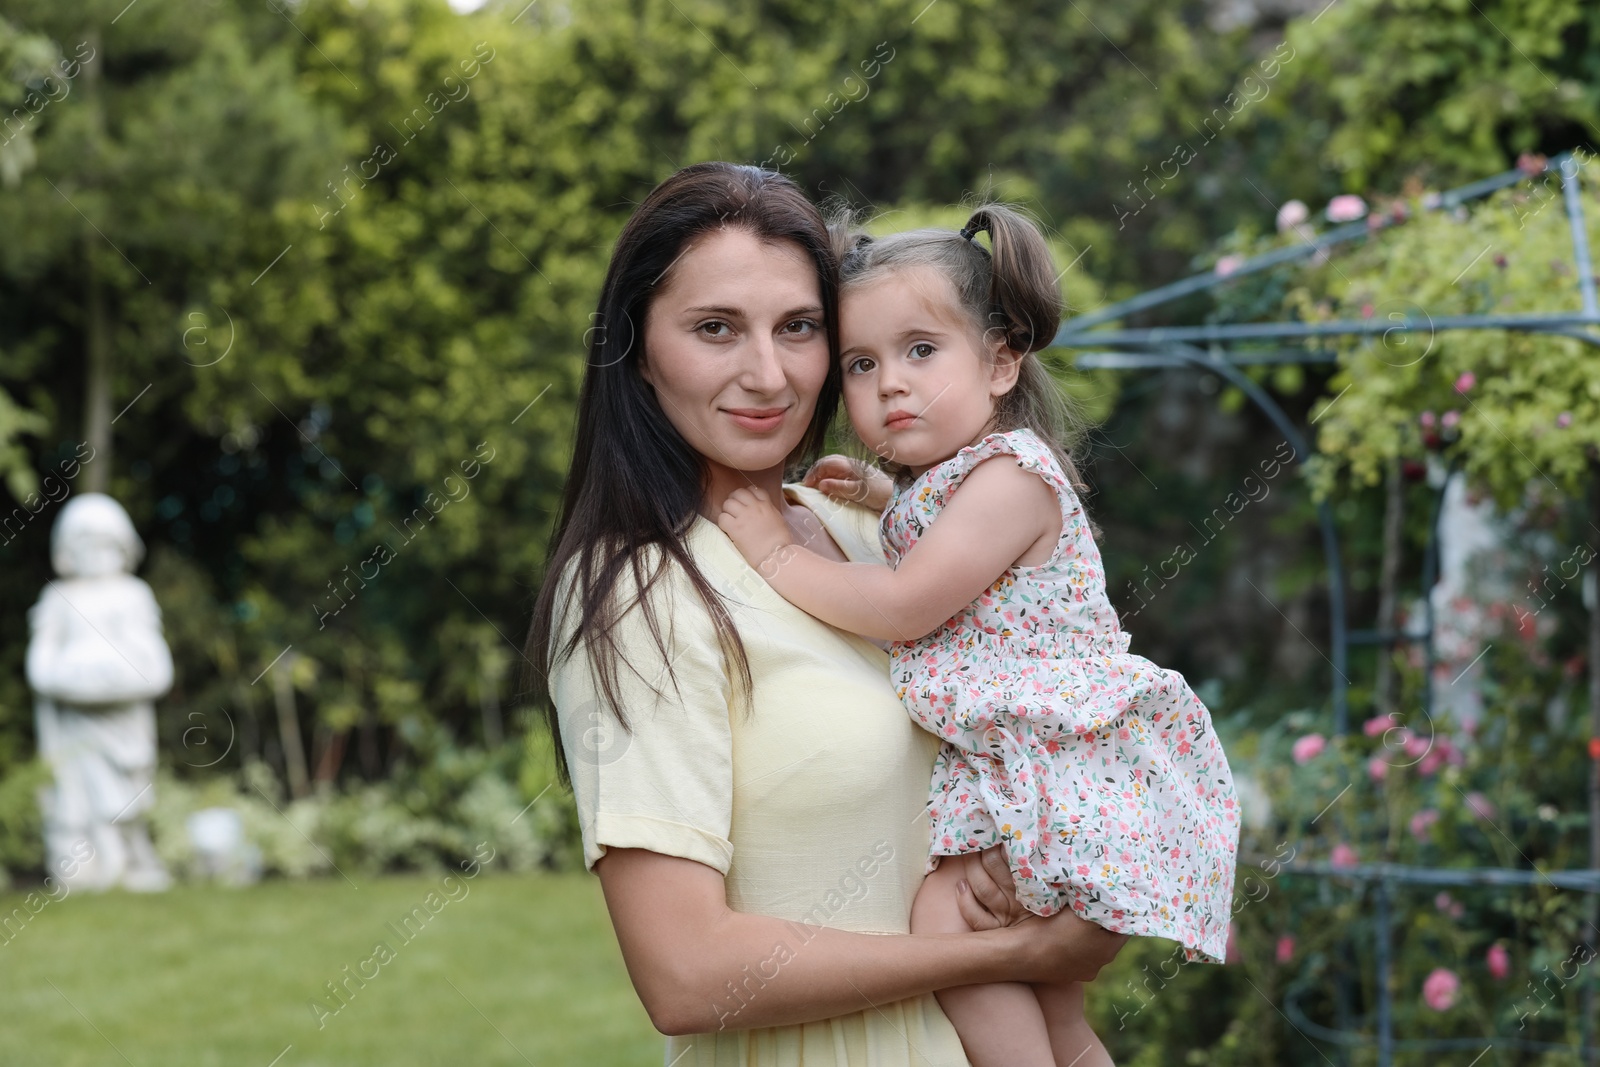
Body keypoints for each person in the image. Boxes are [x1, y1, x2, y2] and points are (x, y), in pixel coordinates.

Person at [525, 163, 1126, 1066]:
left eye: (799, 328)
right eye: (715, 328)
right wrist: (1013, 952)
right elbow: (685, 975)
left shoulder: (864, 528)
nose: (767, 374)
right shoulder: (641, 591)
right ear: (639, 351)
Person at [716, 204, 1241, 1067]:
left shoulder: (1010, 476)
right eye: (861, 362)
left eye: (921, 350)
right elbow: (956, 557)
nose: (890, 382)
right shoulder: (960, 482)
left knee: (944, 920)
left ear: (1000, 362)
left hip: (1061, 762)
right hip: (1035, 760)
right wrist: (887, 501)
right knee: (1058, 1013)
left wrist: (776, 552)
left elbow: (906, 605)